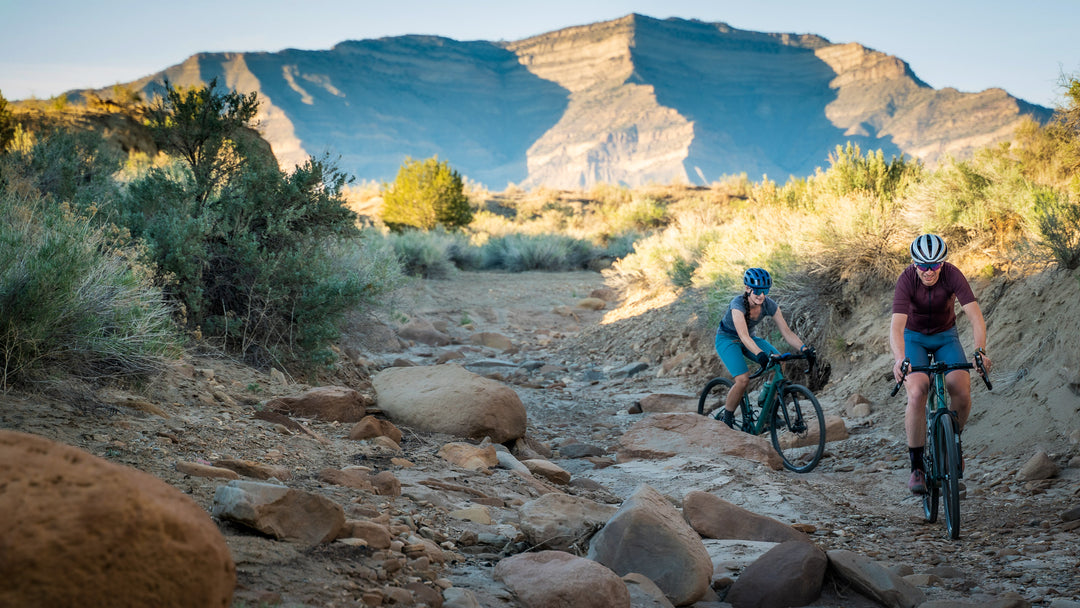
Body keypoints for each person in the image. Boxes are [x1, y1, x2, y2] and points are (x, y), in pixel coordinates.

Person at [890, 233, 992, 494]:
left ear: (943, 263)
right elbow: (897, 326)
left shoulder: (953, 275)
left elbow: (976, 318)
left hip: (946, 336)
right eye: (923, 265)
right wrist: (900, 359)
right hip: (914, 338)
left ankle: (951, 442)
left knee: (961, 388)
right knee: (917, 392)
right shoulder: (906, 280)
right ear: (914, 264)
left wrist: (979, 351)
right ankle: (917, 467)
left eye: (935, 265)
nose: (929, 271)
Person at [714, 268, 813, 428]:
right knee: (742, 379)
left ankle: (767, 406)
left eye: (765, 291)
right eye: (758, 291)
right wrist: (759, 354)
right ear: (747, 289)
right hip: (728, 339)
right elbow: (742, 336)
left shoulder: (769, 305)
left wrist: (804, 348)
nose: (761, 295)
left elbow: (786, 332)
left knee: (779, 361)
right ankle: (727, 418)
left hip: (750, 338)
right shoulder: (737, 304)